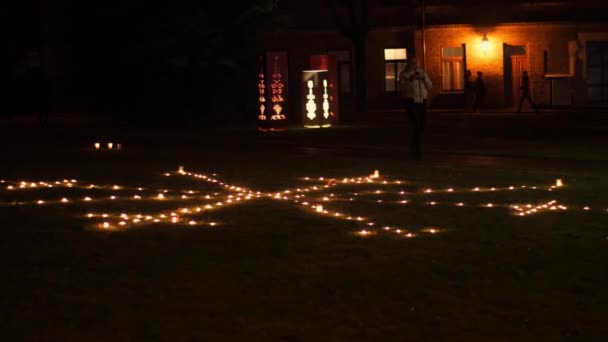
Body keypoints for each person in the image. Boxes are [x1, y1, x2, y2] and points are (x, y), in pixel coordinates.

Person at [398, 57, 432, 159]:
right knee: (416, 123)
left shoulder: (422, 73)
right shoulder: (404, 74)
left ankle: (414, 145)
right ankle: (417, 149)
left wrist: (424, 78)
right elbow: (402, 87)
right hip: (410, 101)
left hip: (422, 100)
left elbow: (430, 86)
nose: (415, 65)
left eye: (416, 63)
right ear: (408, 64)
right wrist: (410, 80)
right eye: (413, 63)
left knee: (422, 124)